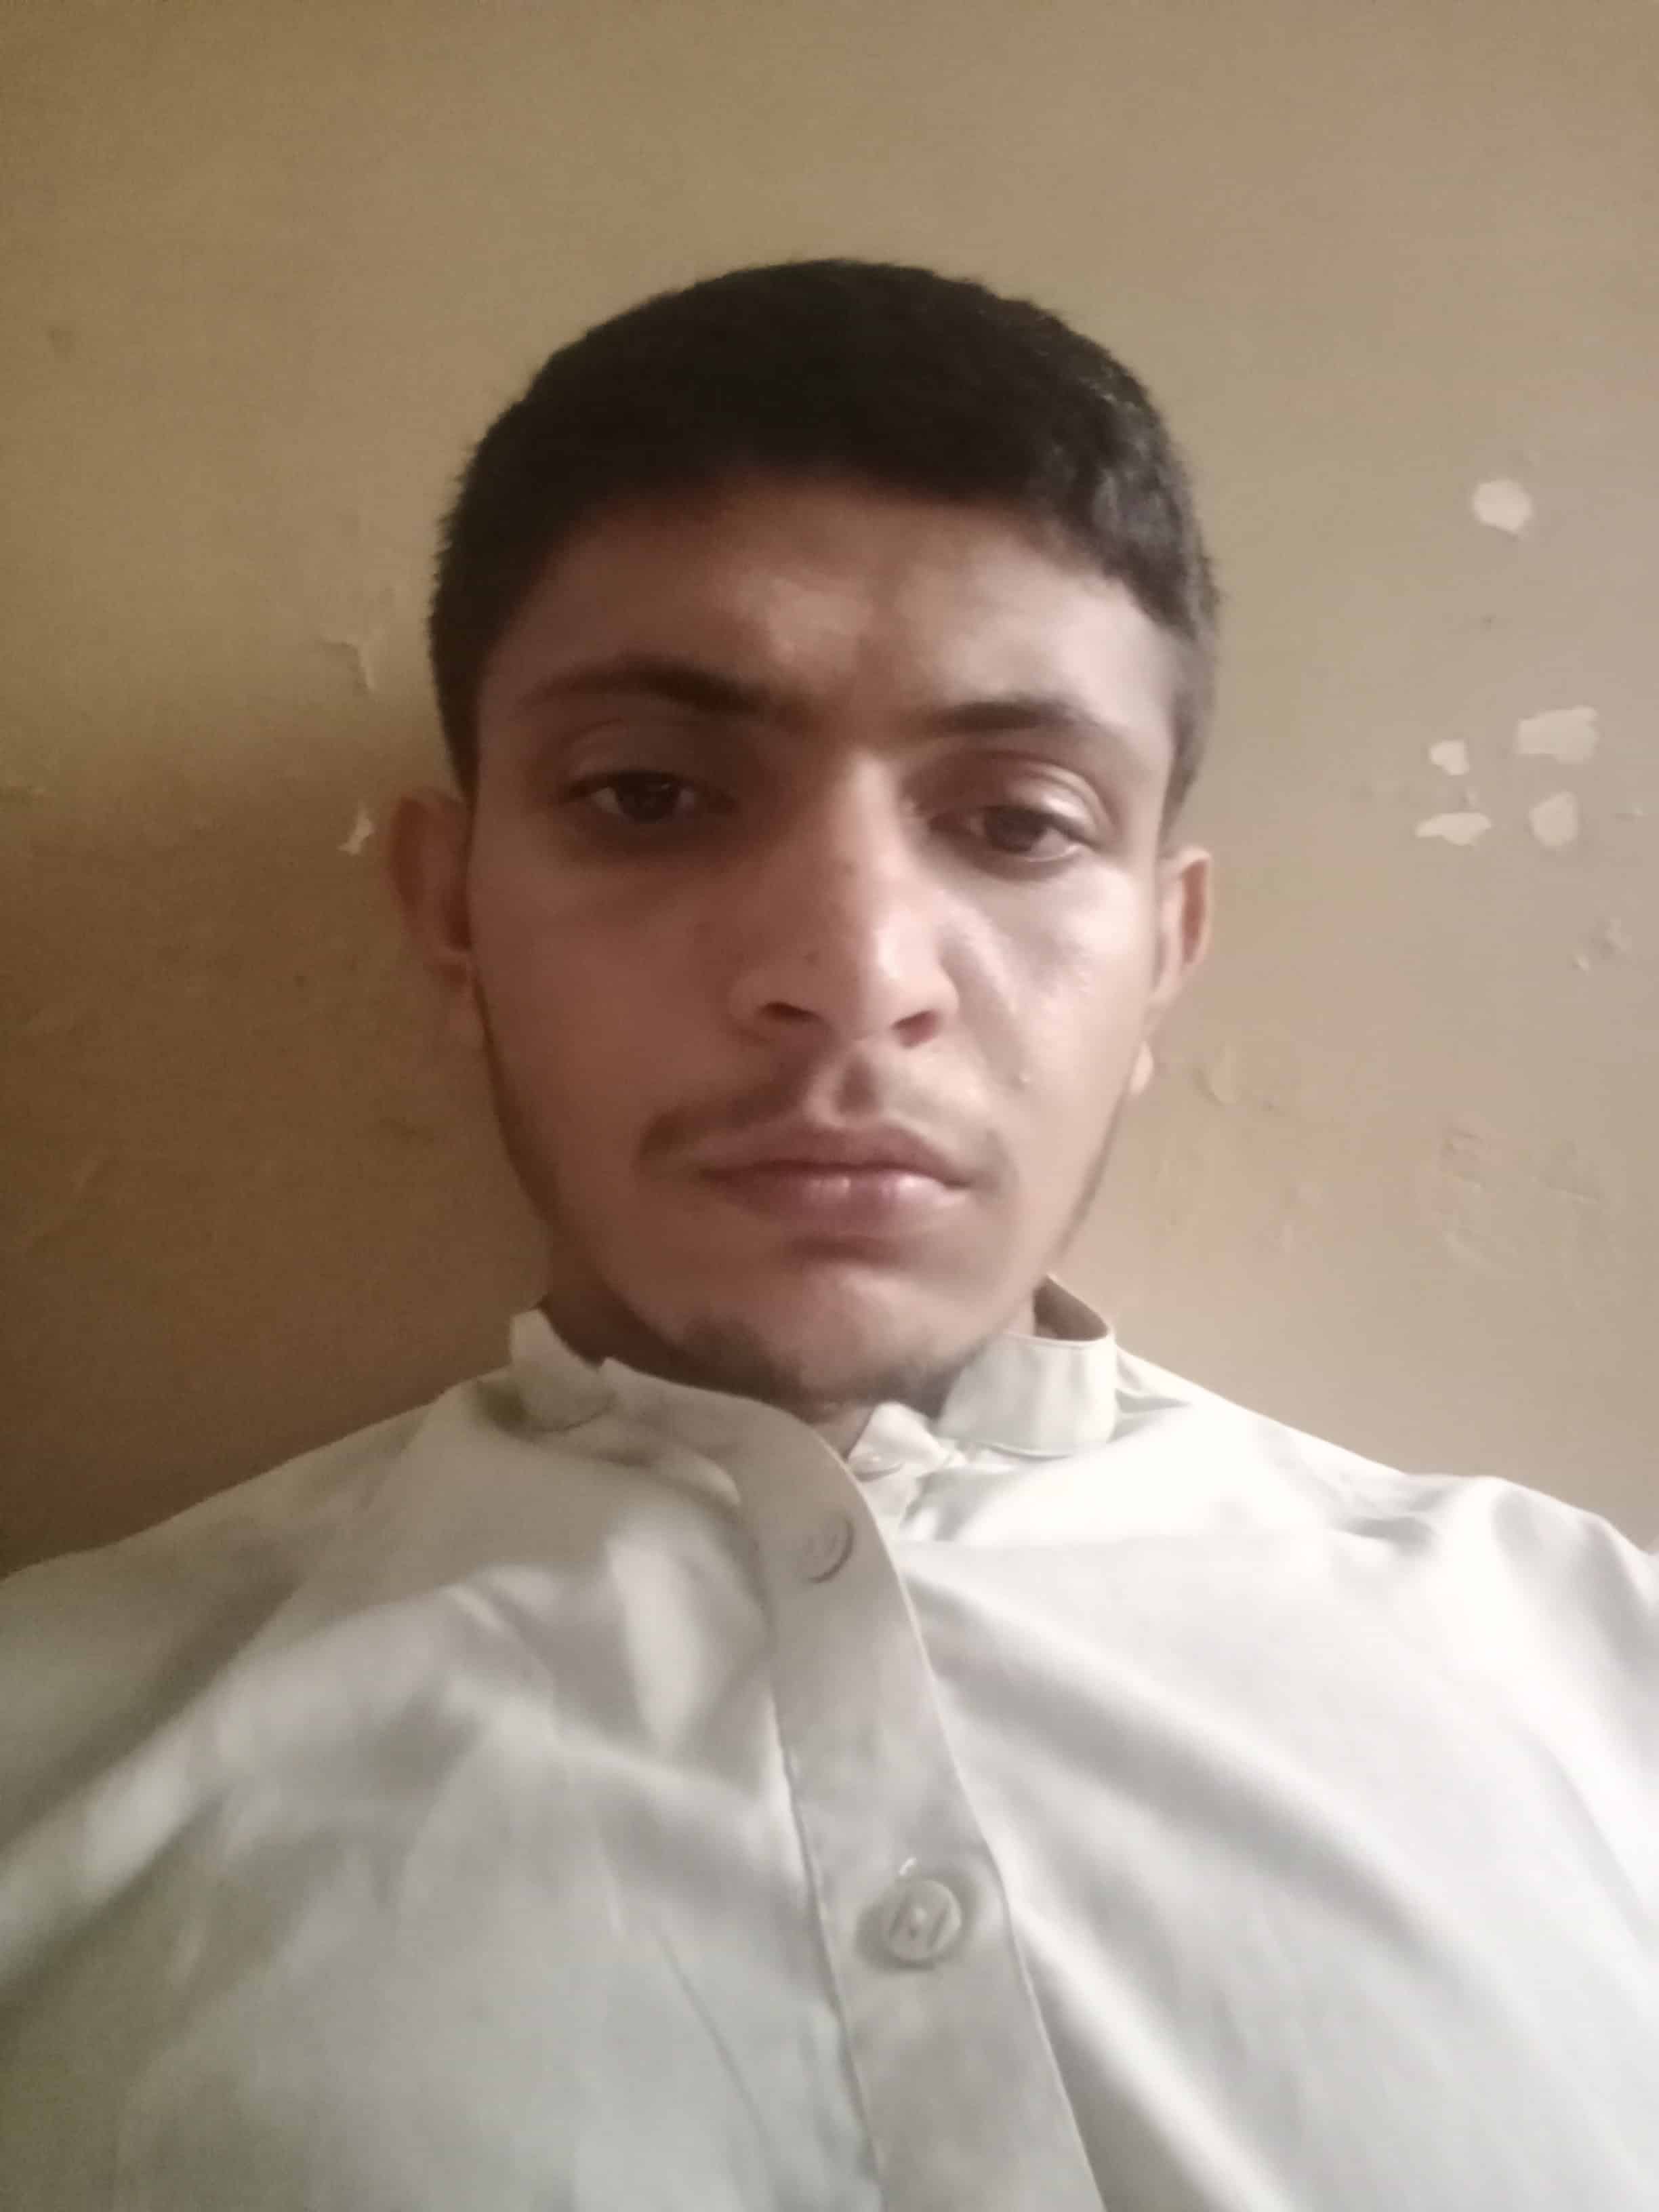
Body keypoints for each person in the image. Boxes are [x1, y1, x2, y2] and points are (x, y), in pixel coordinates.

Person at [0, 261, 1652, 2212]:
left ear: (1162, 956)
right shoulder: (53, 1749)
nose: (852, 975)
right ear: (451, 916)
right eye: (648, 795)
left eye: (1021, 822)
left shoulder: (1599, 1675)